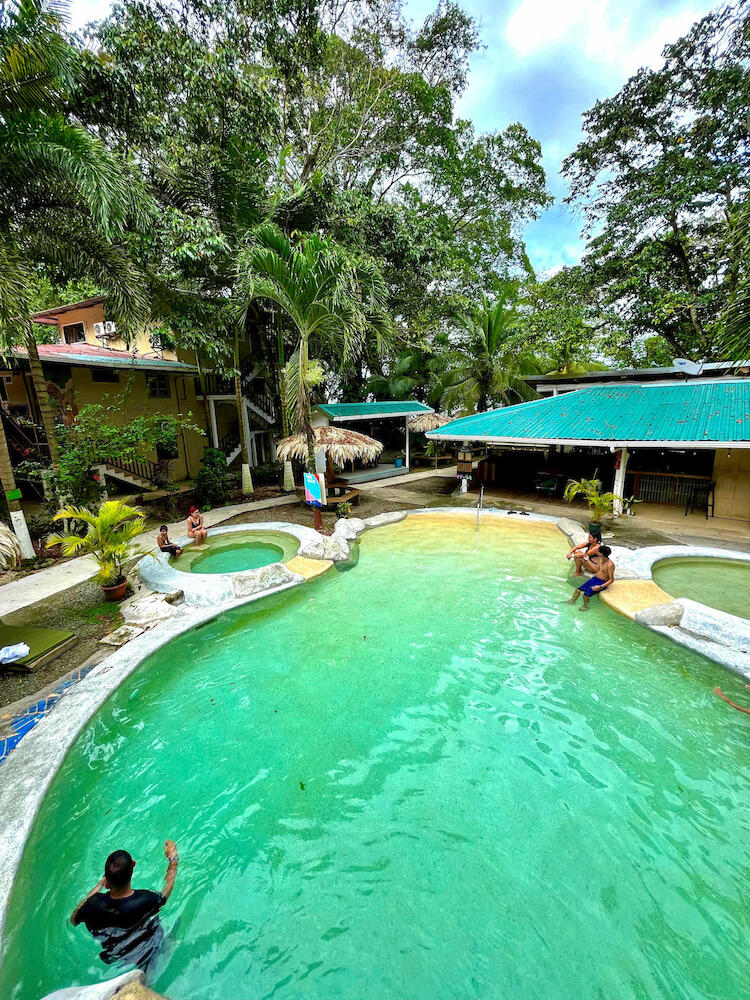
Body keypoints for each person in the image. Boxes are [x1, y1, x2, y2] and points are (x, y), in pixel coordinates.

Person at [70, 840, 179, 974]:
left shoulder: (93, 905)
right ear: (133, 865)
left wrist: (99, 885)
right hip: (148, 949)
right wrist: (173, 859)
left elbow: (73, 919)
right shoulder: (145, 899)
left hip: (119, 957)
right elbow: (165, 893)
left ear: (107, 879)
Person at [569, 545, 615, 610]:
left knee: (585, 595)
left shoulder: (610, 565)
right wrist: (587, 560)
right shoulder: (601, 559)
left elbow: (611, 579)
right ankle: (571, 601)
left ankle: (585, 606)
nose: (597, 552)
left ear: (602, 553)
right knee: (577, 590)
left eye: (598, 551)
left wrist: (600, 586)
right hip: (594, 579)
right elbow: (595, 567)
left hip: (601, 582)